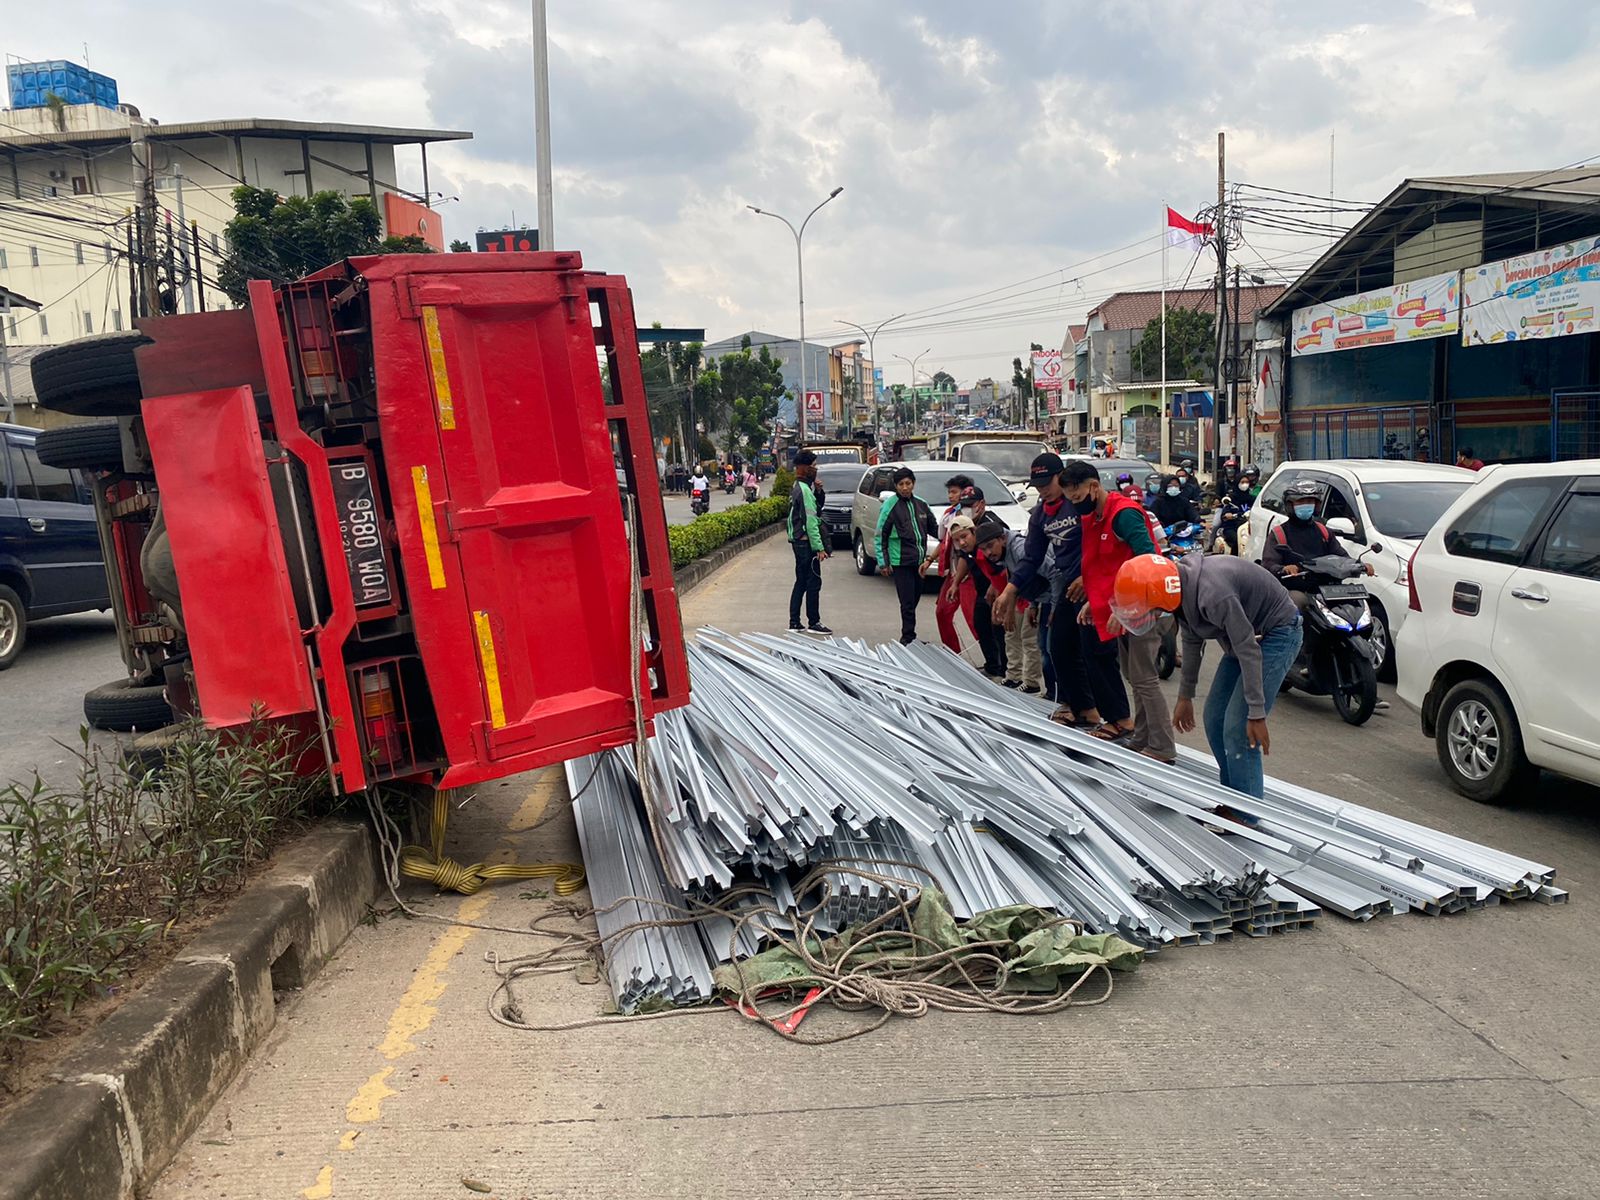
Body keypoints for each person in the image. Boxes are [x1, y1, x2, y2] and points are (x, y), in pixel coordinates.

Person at [1109, 553, 1302, 800]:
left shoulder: (1214, 595)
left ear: (1159, 597)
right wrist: (1185, 696)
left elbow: (1248, 649)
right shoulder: (1180, 592)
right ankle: (1232, 795)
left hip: (1277, 632)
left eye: (1150, 610)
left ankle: (1246, 811)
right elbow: (1191, 641)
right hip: (1244, 637)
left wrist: (1256, 712)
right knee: (1214, 717)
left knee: (1238, 727)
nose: (1152, 616)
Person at [1063, 459, 1172, 759]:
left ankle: (1162, 746)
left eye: (1077, 497)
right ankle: (1142, 738)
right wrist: (1094, 601)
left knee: (1145, 678)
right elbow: (1104, 568)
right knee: (1134, 675)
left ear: (1094, 487)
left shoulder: (1123, 515)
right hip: (1121, 606)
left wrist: (1125, 608)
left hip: (1144, 605)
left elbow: (1147, 561)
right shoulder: (1095, 517)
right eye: (1070, 500)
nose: (1075, 505)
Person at [994, 453, 1108, 730]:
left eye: (1048, 483)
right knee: (1057, 648)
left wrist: (1087, 575)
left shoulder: (1079, 503)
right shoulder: (1040, 515)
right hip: (1069, 586)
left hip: (1094, 584)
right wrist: (1011, 590)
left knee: (1092, 653)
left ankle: (1102, 714)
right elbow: (1031, 558)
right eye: (1038, 485)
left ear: (1062, 478)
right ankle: (1077, 706)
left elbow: (1102, 541)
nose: (1043, 490)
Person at [1260, 480, 1374, 610]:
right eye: (1301, 502)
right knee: (1296, 602)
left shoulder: (1324, 531)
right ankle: (1295, 630)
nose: (1306, 505)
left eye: (1310, 502)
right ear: (1290, 505)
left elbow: (1341, 556)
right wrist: (1284, 569)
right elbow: (1268, 565)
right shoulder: (1279, 534)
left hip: (1328, 589)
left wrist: (1360, 565)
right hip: (1296, 589)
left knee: (1357, 602)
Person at [972, 515, 1042, 692]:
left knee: (1033, 641)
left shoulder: (1019, 549)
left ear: (1002, 539)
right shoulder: (1001, 555)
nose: (988, 552)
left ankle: (1033, 683)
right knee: (1011, 636)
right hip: (1025, 598)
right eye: (983, 549)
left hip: (1041, 598)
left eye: (990, 546)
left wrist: (1041, 604)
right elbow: (1013, 576)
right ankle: (1014, 677)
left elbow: (1049, 574)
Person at [875, 467, 939, 644]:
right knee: (907, 602)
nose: (905, 488)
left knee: (915, 598)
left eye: (908, 484)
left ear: (913, 484)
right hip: (900, 561)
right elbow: (881, 535)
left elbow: (935, 529)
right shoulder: (889, 506)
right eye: (901, 484)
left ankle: (910, 633)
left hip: (919, 561)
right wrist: (884, 562)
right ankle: (908, 637)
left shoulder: (921, 504)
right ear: (896, 486)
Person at [786, 450, 832, 634]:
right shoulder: (803, 491)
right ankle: (814, 622)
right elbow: (811, 521)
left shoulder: (800, 487)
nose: (816, 469)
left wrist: (819, 491)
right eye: (813, 465)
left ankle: (795, 622)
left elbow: (816, 508)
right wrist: (819, 547)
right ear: (804, 468)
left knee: (801, 582)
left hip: (798, 542)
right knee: (813, 582)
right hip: (806, 544)